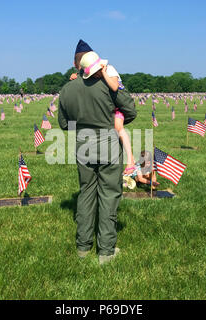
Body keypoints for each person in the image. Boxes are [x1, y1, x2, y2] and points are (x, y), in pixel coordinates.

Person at [58, 46, 137, 265]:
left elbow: (64, 124)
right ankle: (106, 252)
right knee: (109, 196)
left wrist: (84, 126)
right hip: (108, 147)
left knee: (85, 194)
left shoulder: (67, 89)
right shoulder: (107, 85)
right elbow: (131, 110)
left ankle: (83, 248)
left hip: (83, 146)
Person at [71, 41, 135, 174]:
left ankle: (131, 159)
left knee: (118, 127)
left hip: (118, 108)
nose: (95, 75)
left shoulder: (109, 69)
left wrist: (104, 73)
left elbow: (114, 87)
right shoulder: (94, 74)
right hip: (107, 108)